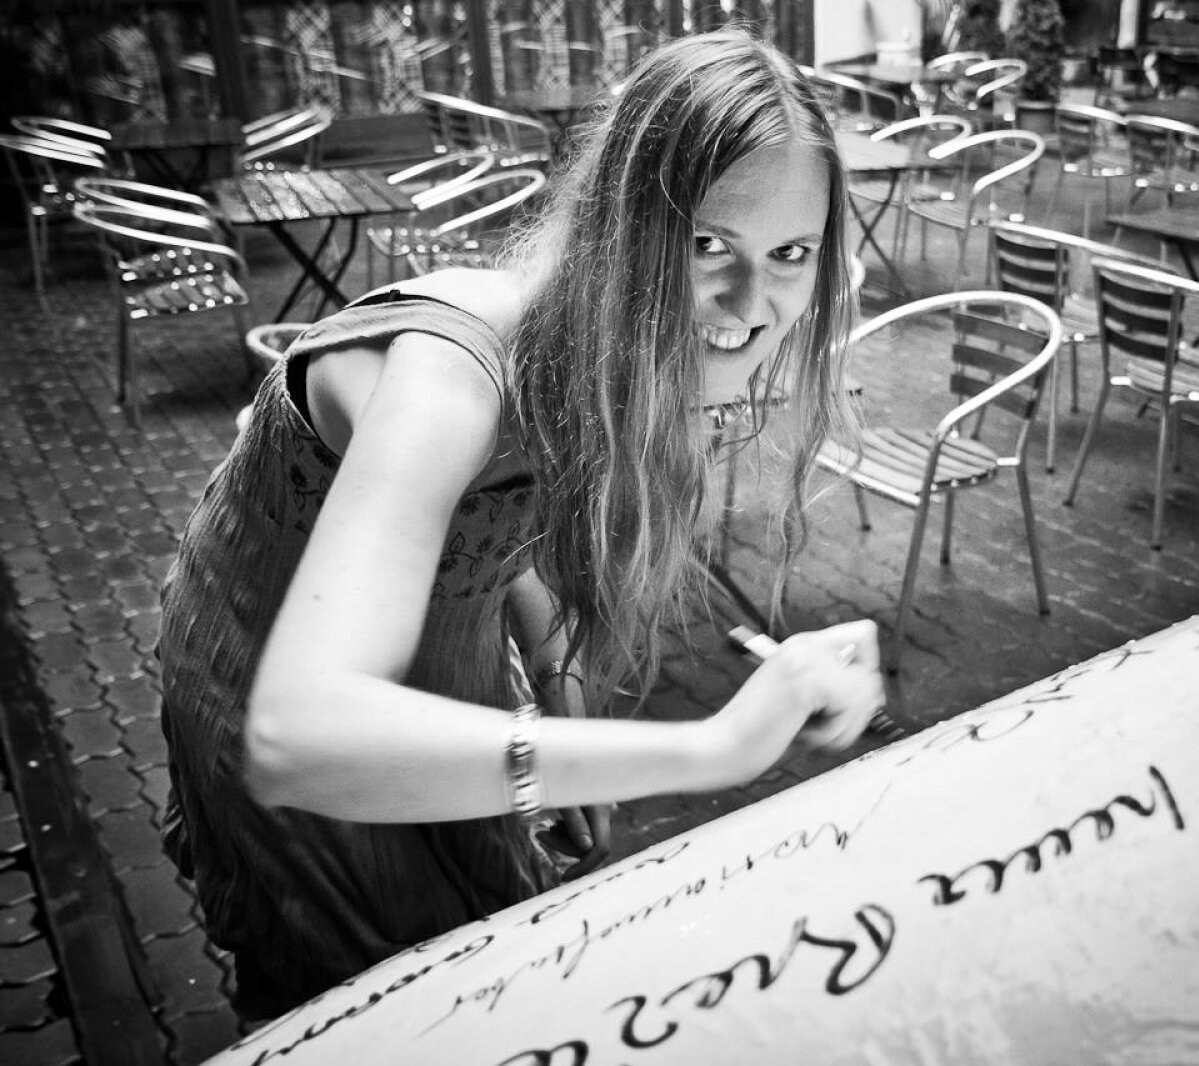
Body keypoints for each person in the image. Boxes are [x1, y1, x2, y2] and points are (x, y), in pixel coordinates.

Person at [156, 28, 885, 1023]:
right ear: (616, 225)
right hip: (268, 658)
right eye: (707, 243)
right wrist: (713, 748)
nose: (751, 303)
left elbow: (510, 522)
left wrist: (559, 693)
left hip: (443, 638)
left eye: (790, 253)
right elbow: (299, 736)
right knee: (372, 991)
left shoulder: (608, 342)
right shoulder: (447, 376)